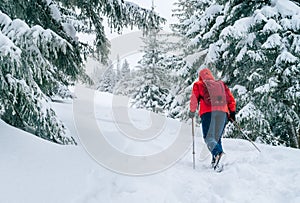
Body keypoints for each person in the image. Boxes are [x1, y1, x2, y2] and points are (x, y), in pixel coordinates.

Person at [189, 68, 236, 170]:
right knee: (216, 137)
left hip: (208, 113)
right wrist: (232, 112)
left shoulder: (199, 84)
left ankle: (218, 153)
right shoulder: (221, 84)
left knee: (209, 137)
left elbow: (194, 99)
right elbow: (230, 99)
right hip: (223, 113)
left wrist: (192, 111)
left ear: (200, 76)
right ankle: (216, 162)